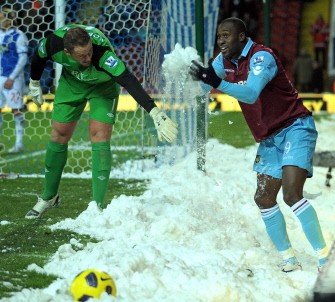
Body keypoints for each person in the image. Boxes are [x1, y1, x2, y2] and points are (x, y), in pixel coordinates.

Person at [190, 17, 329, 272]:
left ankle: (325, 257)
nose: (221, 41)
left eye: (226, 36)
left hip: (295, 128)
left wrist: (217, 82)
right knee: (264, 198)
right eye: (219, 36)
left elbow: (252, 92)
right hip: (269, 138)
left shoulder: (261, 57)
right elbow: (203, 88)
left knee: (291, 194)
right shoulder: (224, 61)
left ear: (241, 37)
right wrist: (198, 75)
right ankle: (289, 258)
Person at [25, 24, 178, 219]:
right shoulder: (52, 43)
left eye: (89, 52)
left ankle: (97, 206)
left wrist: (154, 111)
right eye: (82, 56)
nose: (88, 58)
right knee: (58, 134)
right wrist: (34, 82)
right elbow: (38, 57)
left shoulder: (102, 54)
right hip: (72, 84)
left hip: (103, 89)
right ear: (67, 52)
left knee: (99, 137)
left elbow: (127, 79)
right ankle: (49, 196)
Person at [0, 7, 28, 153]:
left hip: (13, 79)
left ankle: (19, 143)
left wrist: (11, 78)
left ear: (9, 18)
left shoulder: (19, 36)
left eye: (1, 17)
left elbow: (23, 58)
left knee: (16, 110)